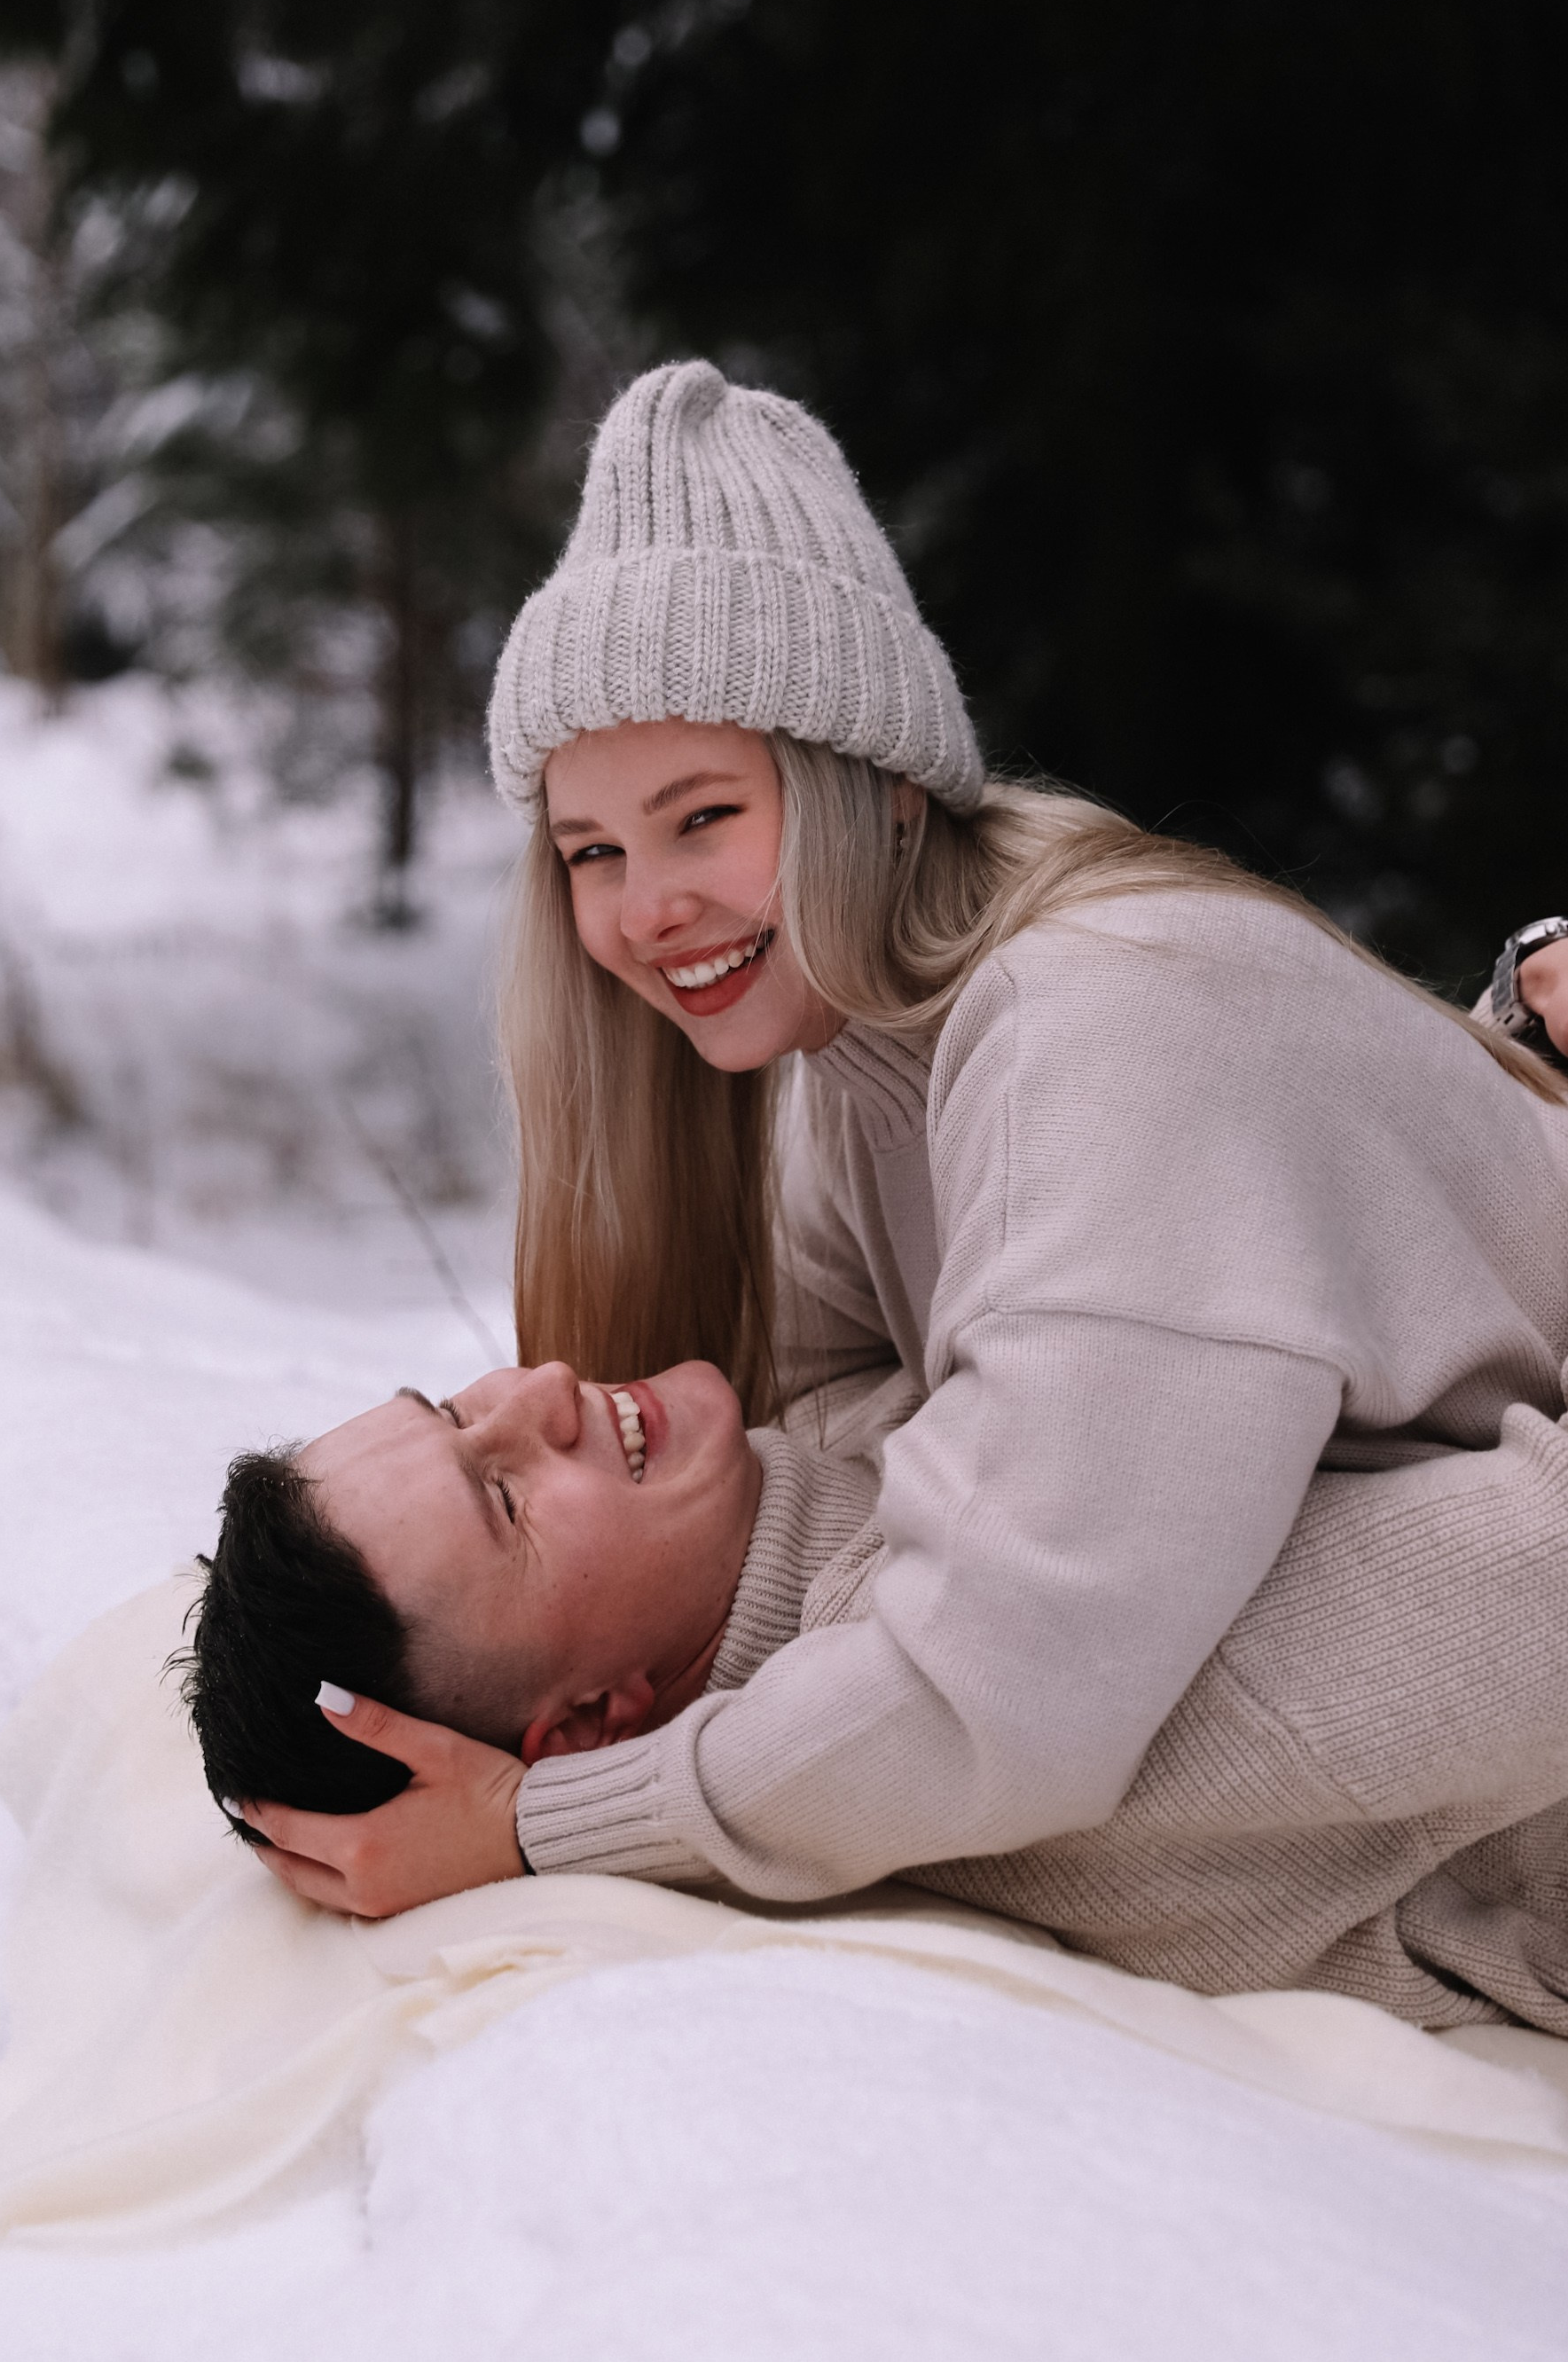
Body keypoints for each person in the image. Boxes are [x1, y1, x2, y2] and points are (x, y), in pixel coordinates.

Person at [217, 359, 1568, 1968]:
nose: (642, 908)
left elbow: (997, 1684)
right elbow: (831, 1452)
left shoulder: (1094, 1022)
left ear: (865, 780)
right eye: (592, 852)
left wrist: (538, 1825)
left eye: (700, 816)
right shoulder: (864, 1058)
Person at [183, 1343, 1568, 2029]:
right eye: (504, 1497)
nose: (541, 1385)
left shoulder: (838, 1442)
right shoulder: (1020, 1695)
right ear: (597, 1720)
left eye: (453, 1407)